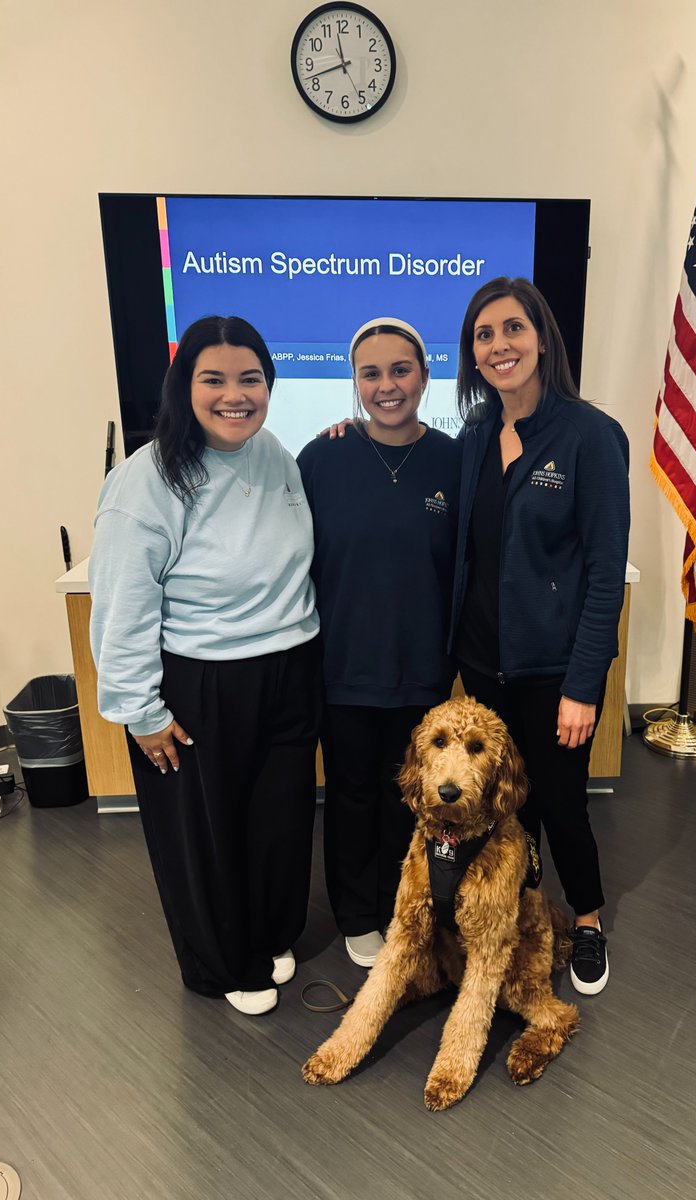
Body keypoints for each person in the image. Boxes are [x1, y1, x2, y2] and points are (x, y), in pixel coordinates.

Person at [89, 315, 321, 1016]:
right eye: (212, 379)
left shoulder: (274, 453)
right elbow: (122, 604)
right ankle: (221, 963)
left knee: (277, 821)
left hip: (288, 666)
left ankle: (270, 933)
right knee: (205, 831)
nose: (234, 395)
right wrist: (141, 710)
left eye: (250, 378)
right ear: (182, 386)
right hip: (199, 681)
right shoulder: (147, 480)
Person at [449, 277, 630, 995]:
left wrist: (583, 686)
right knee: (503, 802)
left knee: (560, 803)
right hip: (482, 664)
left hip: (553, 671)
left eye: (513, 329)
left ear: (543, 337)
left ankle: (585, 921)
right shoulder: (472, 436)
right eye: (484, 335)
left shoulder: (589, 435)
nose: (500, 346)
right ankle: (522, 911)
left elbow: (603, 572)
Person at [297, 318, 460, 968]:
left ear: (424, 374)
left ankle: (408, 907)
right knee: (351, 794)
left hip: (423, 672)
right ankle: (357, 915)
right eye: (371, 373)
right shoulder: (321, 458)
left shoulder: (456, 459)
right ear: (355, 381)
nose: (387, 385)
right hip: (342, 668)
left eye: (401, 370)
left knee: (414, 798)